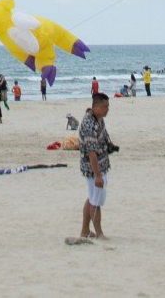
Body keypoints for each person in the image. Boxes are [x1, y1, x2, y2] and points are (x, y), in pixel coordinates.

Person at [69, 91, 114, 245]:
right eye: (104, 106)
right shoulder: (88, 124)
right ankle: (99, 233)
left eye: (108, 106)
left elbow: (104, 137)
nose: (107, 109)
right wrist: (98, 175)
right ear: (95, 107)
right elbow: (92, 152)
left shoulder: (99, 120)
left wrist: (111, 146)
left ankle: (85, 230)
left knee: (92, 198)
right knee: (96, 201)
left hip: (100, 165)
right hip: (92, 168)